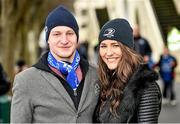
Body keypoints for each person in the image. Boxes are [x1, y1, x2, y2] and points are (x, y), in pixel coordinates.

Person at [11, 5, 100, 123]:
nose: (64, 40)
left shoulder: (96, 73)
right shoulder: (26, 81)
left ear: (77, 37)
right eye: (57, 34)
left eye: (70, 33)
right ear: (48, 39)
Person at [94, 18, 162, 123]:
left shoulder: (144, 85)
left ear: (127, 49)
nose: (108, 53)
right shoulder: (103, 81)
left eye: (115, 45)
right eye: (103, 46)